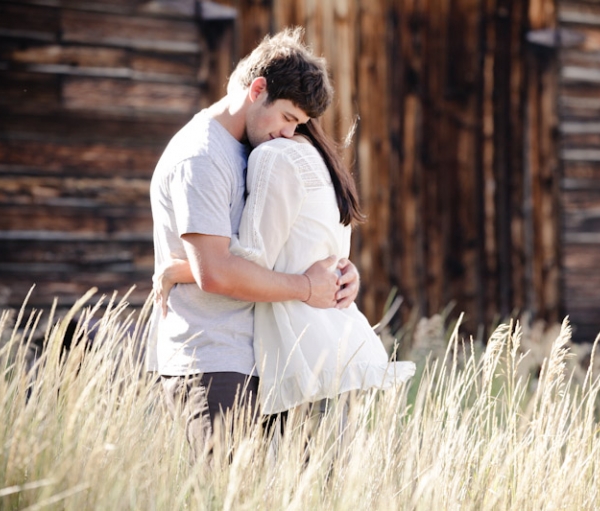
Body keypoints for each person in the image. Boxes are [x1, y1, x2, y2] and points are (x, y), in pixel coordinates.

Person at [146, 28, 360, 455]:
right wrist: (307, 287)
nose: (289, 132)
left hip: (266, 358)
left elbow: (269, 248)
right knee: (223, 488)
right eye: (287, 117)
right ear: (257, 89)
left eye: (298, 125)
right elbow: (217, 272)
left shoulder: (256, 149)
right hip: (213, 359)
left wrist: (339, 273)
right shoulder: (201, 157)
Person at [154, 117, 416, 416]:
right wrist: (343, 274)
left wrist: (179, 270)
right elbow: (317, 251)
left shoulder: (275, 155)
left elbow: (252, 259)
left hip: (299, 353)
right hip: (334, 346)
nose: (286, 130)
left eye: (293, 118)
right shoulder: (324, 161)